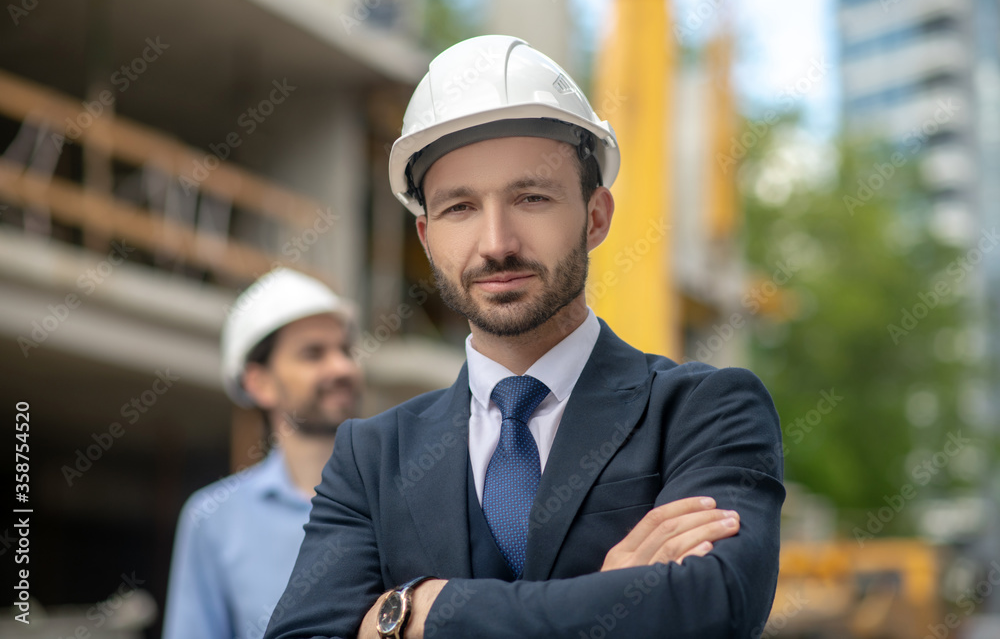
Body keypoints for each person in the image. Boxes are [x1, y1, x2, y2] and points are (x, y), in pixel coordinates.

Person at [264, 35, 784, 639]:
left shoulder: (705, 411)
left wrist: (414, 613)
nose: (496, 243)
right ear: (428, 237)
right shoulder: (371, 458)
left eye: (531, 198)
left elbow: (711, 608)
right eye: (460, 208)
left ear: (595, 217)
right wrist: (610, 596)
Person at [163, 268, 364, 639]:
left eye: (345, 350)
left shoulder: (400, 494)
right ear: (260, 383)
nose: (343, 367)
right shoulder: (213, 519)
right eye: (313, 353)